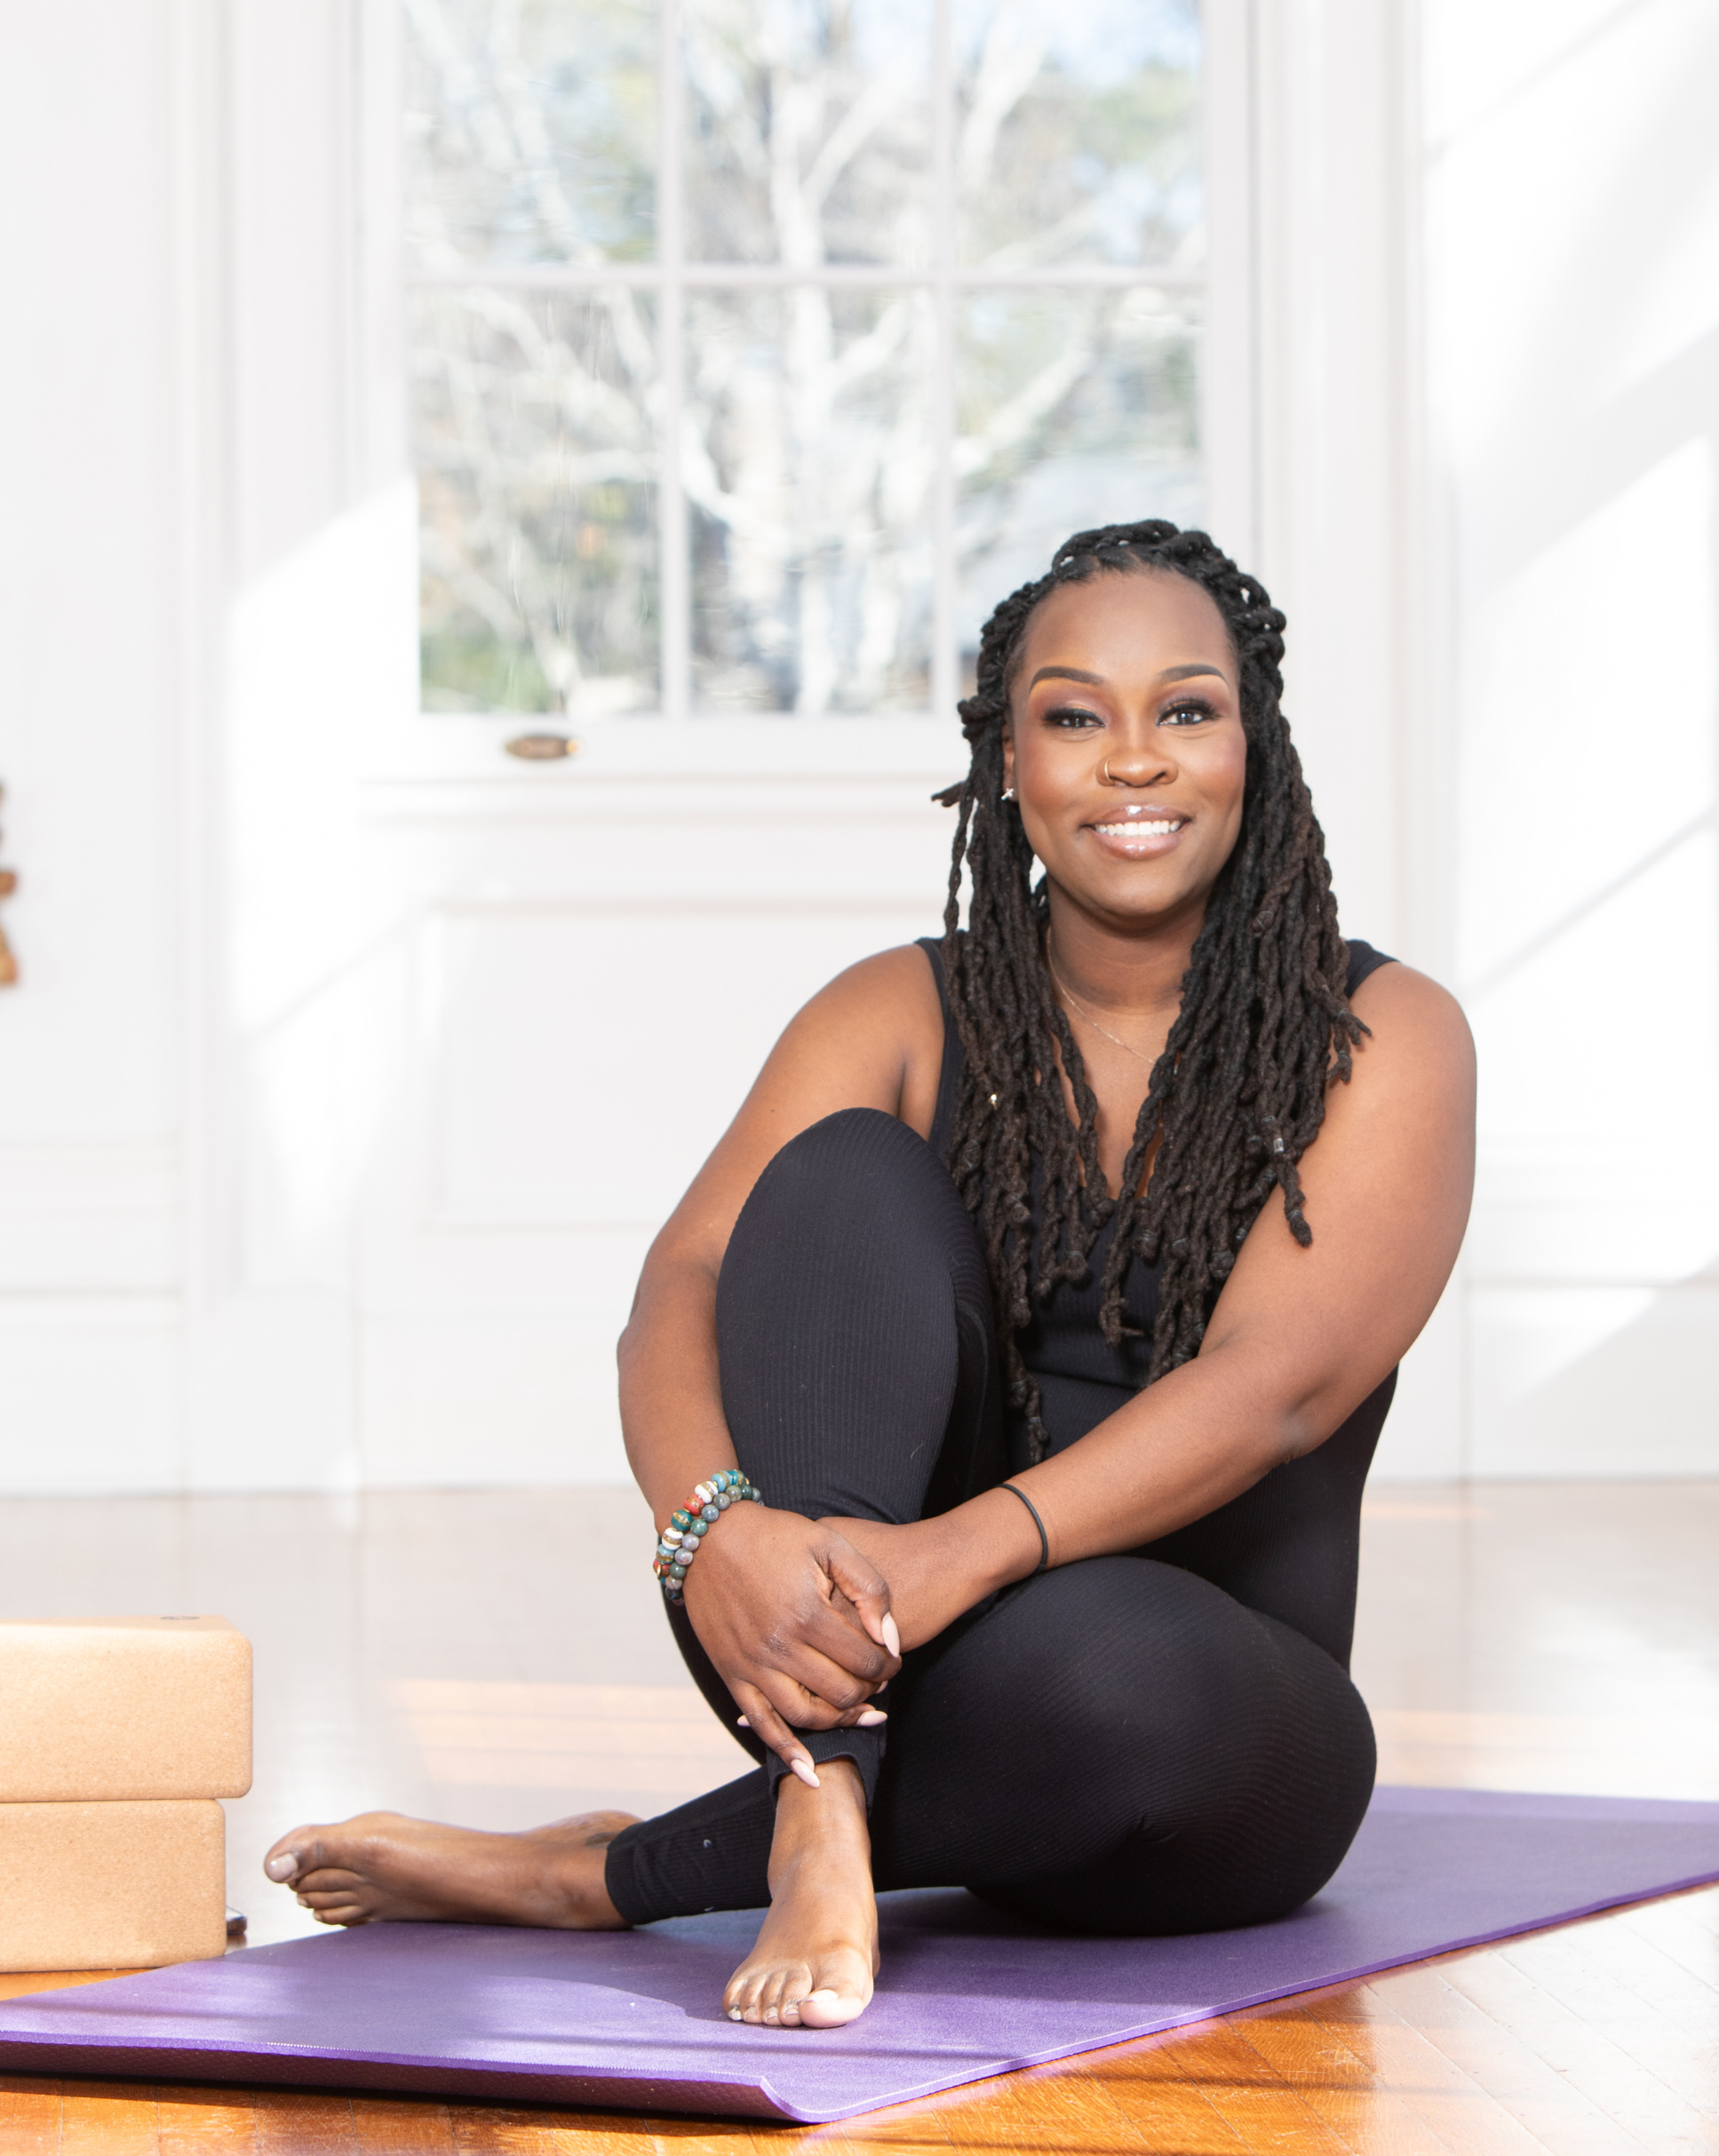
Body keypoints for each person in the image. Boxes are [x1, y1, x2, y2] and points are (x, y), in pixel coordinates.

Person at [262, 521, 1476, 2033]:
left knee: (1111, 1677)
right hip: (863, 1653)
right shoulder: (898, 1007)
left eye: (1186, 709)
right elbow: (683, 1285)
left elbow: (1272, 1394)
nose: (1134, 760)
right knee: (834, 1175)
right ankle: (818, 1794)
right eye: (1074, 716)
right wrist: (717, 1536)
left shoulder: (1383, 1034)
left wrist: (948, 1559)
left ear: (1255, 745)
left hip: (1203, 1731)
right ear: (1009, 762)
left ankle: (610, 1874)